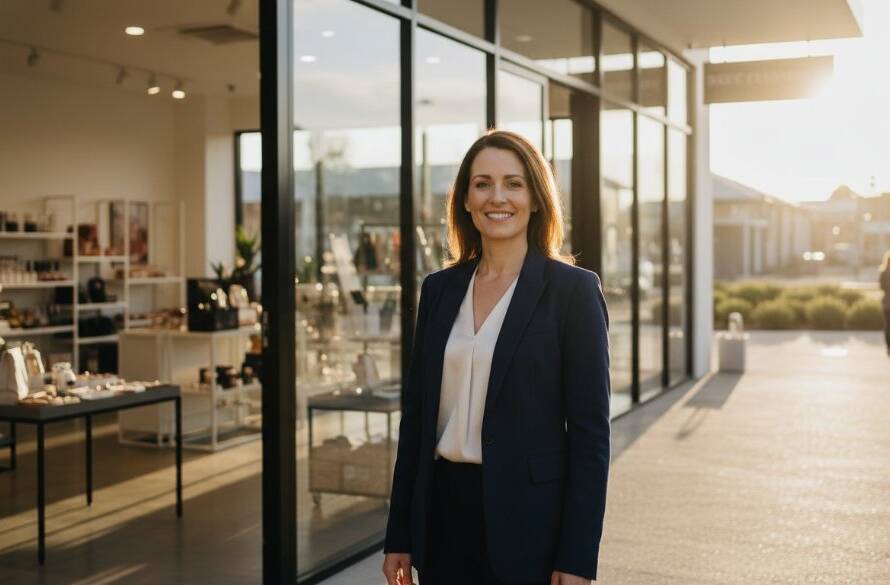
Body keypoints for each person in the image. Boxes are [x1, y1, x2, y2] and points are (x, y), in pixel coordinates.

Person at [382, 130, 611, 585]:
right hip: (442, 517)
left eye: (514, 183)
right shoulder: (440, 290)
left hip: (530, 524)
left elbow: (590, 438)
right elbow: (417, 421)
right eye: (482, 183)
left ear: (536, 198)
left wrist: (577, 556)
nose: (497, 197)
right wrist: (399, 534)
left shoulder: (573, 292)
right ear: (465, 199)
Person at [881, 251, 890, 355]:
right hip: (887, 303)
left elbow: (881, 286)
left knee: (887, 325)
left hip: (886, 303)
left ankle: (888, 345)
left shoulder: (883, 272)